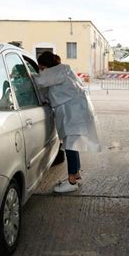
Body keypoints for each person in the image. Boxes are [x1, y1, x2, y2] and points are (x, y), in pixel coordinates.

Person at [34, 51, 101, 193]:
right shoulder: (62, 70)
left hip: (74, 114)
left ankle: (71, 182)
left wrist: (28, 76)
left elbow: (38, 81)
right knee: (73, 144)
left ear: (46, 65)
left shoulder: (57, 71)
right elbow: (48, 90)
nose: (41, 70)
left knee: (71, 146)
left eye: (41, 67)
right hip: (74, 112)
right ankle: (75, 175)